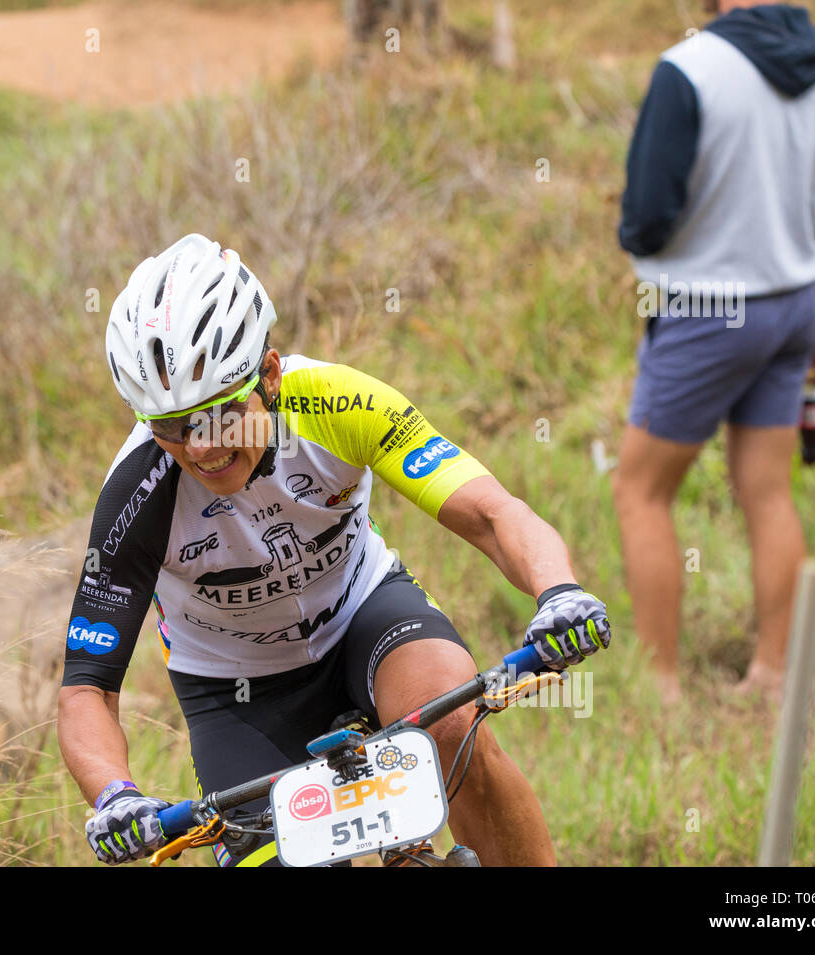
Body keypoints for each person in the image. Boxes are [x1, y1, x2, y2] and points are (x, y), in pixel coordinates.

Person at [58, 233, 610, 867]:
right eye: (171, 427)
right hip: (236, 689)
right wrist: (115, 795)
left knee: (451, 731)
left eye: (217, 414)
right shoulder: (137, 492)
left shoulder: (336, 402)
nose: (200, 447)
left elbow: (490, 514)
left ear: (267, 375)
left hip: (365, 618)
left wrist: (558, 591)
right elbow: (87, 692)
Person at [613, 1, 815, 703]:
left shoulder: (689, 69)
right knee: (767, 491)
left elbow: (648, 219)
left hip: (707, 309)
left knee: (641, 490)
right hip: (798, 304)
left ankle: (661, 688)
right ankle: (772, 676)